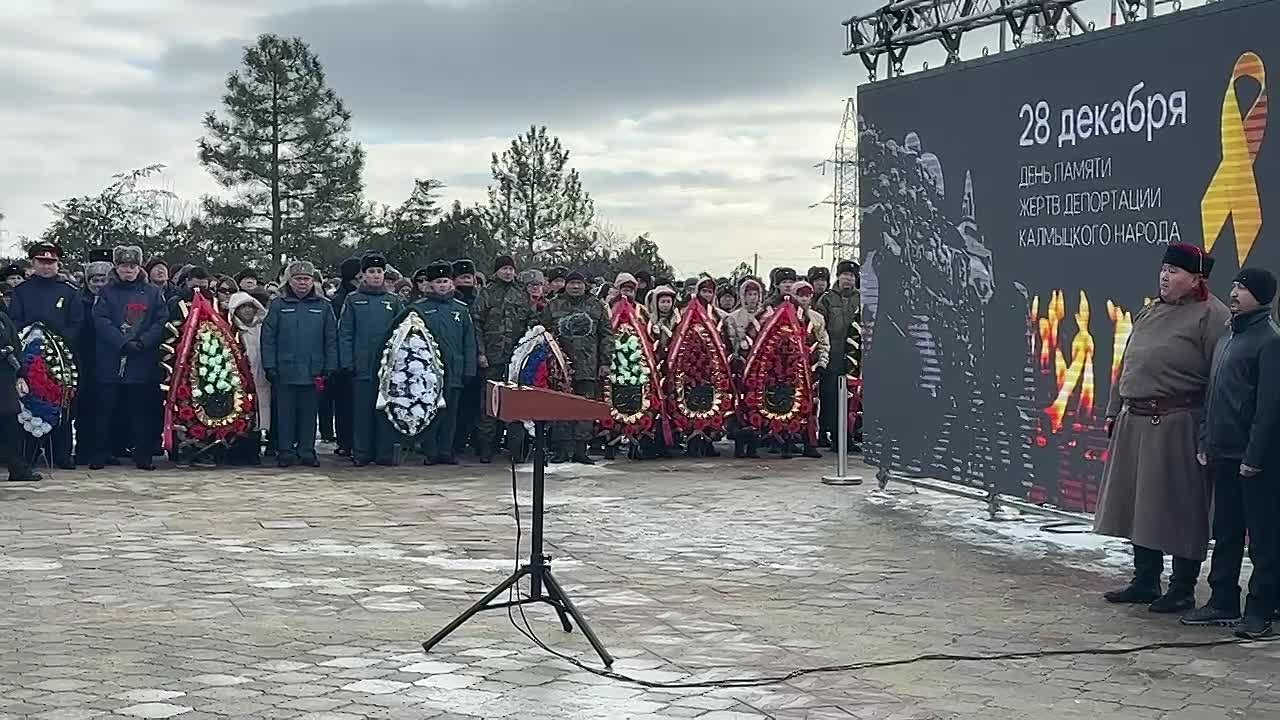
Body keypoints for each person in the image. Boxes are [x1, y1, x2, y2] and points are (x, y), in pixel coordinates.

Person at [1094, 243, 1230, 613]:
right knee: (1140, 504)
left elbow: (1219, 379)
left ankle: (1182, 586)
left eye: (1175, 271)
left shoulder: (1211, 316)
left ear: (1196, 279)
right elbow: (1128, 361)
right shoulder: (1150, 311)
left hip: (1177, 423)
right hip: (1135, 421)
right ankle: (1145, 580)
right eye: (1164, 269)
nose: (1165, 277)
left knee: (1180, 506)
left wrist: (1208, 431)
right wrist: (1113, 409)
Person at [1182, 268, 1280, 639]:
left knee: (1263, 538)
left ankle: (1261, 611)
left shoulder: (1270, 341)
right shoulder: (1229, 335)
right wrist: (1207, 439)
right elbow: (1213, 394)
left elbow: (1269, 408)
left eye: (1244, 288)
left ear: (1262, 296)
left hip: (1256, 460)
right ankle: (1223, 599)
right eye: (1235, 285)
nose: (1235, 293)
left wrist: (1254, 457)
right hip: (1222, 453)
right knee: (1225, 532)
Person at [90, 245, 169, 471]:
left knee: (141, 412)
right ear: (117, 267)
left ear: (139, 268)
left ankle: (143, 455)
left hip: (142, 359)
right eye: (124, 266)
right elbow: (101, 320)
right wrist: (122, 342)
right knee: (105, 410)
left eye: (132, 266)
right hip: (111, 358)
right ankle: (100, 453)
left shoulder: (153, 292)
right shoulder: (106, 292)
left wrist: (144, 341)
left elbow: (160, 320)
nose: (128, 270)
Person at [7, 242, 84, 469]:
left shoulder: (68, 291)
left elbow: (77, 323)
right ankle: (29, 452)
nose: (46, 266)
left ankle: (62, 452)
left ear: (58, 264)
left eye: (51, 262)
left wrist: (58, 340)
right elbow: (15, 321)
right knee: (29, 401)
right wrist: (33, 337)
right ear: (33, 263)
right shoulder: (22, 291)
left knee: (62, 402)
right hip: (29, 355)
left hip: (61, 356)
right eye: (42, 262)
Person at [262, 261, 336, 468]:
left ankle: (306, 450)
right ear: (289, 281)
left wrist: (330, 366)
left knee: (309, 414)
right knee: (285, 414)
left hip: (314, 370)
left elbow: (330, 338)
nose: (303, 283)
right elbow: (268, 337)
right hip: (284, 369)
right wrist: (270, 365)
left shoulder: (323, 306)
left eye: (307, 279)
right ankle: (285, 451)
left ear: (313, 281)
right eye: (298, 279)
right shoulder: (278, 305)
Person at [338, 253, 403, 466]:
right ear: (363, 275)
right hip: (362, 365)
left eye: (379, 272)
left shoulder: (393, 301)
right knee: (362, 411)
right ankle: (362, 452)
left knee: (385, 410)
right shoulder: (354, 300)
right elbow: (345, 333)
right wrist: (347, 361)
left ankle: (384, 452)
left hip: (388, 367)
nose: (376, 276)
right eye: (371, 272)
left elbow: (403, 332)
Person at [543, 270, 613, 464]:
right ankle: (562, 449)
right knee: (560, 406)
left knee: (585, 407)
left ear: (584, 285)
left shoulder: (596, 305)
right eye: (572, 283)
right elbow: (542, 331)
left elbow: (607, 335)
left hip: (589, 365)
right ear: (566, 285)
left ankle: (581, 449)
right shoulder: (554, 305)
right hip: (560, 367)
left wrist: (605, 362)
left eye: (579, 283)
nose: (575, 287)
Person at [473, 255, 536, 462]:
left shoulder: (521, 294)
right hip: (492, 357)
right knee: (488, 404)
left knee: (516, 404)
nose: (508, 272)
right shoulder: (486, 293)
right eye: (504, 269)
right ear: (496, 271)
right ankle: (486, 449)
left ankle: (516, 451)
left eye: (511, 269)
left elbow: (532, 323)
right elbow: (477, 323)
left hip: (517, 360)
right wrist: (481, 353)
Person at [415, 260, 478, 465]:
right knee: (431, 411)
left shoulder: (461, 309)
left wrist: (469, 368)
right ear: (430, 285)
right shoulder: (418, 309)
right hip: (428, 372)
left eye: (445, 281)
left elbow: (469, 342)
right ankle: (430, 450)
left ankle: (446, 450)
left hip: (455, 370)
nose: (442, 285)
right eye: (438, 282)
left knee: (451, 413)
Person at [815, 260, 861, 449]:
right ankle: (834, 435)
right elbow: (818, 326)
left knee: (852, 399)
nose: (848, 279)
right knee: (832, 398)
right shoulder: (827, 299)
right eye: (844, 275)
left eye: (851, 276)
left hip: (855, 358)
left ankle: (849, 436)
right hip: (833, 356)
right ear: (838, 277)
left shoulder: (862, 298)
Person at [74, 255, 112, 465]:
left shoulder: (114, 301)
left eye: (103, 279)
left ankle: (106, 449)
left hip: (109, 359)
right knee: (85, 407)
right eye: (94, 280)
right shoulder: (80, 302)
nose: (99, 284)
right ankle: (83, 449)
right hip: (86, 358)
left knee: (107, 408)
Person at [226, 291, 270, 466]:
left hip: (261, 378)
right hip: (239, 381)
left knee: (257, 417)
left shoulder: (262, 328)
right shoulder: (230, 331)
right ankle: (236, 451)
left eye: (249, 306)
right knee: (240, 415)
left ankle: (254, 451)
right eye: (242, 307)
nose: (246, 311)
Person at [724, 278, 765, 459]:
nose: (752, 298)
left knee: (757, 404)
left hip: (761, 367)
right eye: (749, 294)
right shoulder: (733, 317)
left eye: (755, 294)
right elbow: (728, 341)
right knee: (740, 404)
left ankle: (754, 444)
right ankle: (739, 443)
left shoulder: (767, 316)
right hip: (740, 365)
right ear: (742, 296)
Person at [326, 257, 362, 457]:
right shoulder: (339, 300)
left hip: (362, 357)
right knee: (344, 403)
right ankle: (345, 440)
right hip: (343, 360)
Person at [1, 305, 40, 481]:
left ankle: (18, 468)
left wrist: (21, 375)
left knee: (11, 426)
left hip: (4, 378)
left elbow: (15, 347)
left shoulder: (3, 318)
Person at [450, 258, 484, 459]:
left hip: (476, 359)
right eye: (462, 278)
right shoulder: (452, 302)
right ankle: (455, 442)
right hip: (456, 360)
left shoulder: (479, 301)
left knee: (472, 405)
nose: (467, 281)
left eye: (469, 277)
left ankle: (468, 439)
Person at [793, 281, 829, 459]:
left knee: (812, 406)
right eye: (800, 295)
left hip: (811, 368)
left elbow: (823, 342)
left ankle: (810, 442)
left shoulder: (817, 318)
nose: (804, 299)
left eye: (807, 295)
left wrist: (822, 362)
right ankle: (789, 441)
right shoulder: (786, 316)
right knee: (792, 405)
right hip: (790, 369)